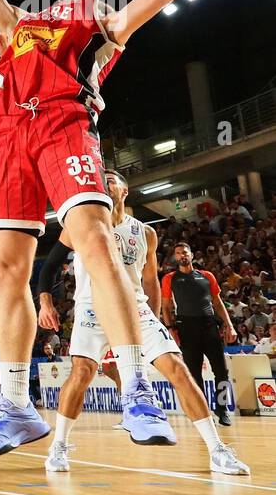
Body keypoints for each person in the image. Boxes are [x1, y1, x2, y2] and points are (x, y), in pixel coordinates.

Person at [0, 0, 263, 459]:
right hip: (8, 140)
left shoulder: (97, 38)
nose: (95, 0)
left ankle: (137, 392)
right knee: (6, 272)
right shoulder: (17, 27)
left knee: (95, 236)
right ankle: (18, 405)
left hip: (63, 127)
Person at [39, 172, 248, 474]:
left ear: (125, 190)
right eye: (101, 179)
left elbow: (150, 280)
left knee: (178, 369)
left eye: (110, 179)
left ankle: (217, 450)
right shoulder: (78, 224)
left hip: (136, 309)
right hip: (91, 308)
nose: (104, 182)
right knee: (82, 373)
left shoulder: (145, 233)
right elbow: (48, 268)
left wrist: (153, 315)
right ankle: (58, 447)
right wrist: (46, 301)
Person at [162, 242, 238, 426]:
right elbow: (165, 306)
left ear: (192, 255)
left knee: (221, 370)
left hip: (209, 325)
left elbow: (218, 303)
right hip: (186, 328)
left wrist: (229, 324)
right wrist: (170, 328)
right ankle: (203, 412)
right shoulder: (169, 278)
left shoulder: (207, 276)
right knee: (194, 374)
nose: (182, 255)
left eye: (185, 252)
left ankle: (222, 409)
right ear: (175, 257)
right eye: (178, 253)